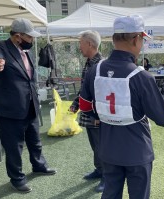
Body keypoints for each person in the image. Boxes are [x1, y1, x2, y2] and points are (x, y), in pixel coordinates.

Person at [79, 15, 164, 199]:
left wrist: (103, 118)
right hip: (137, 150)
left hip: (107, 148)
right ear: (136, 38)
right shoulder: (141, 76)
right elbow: (163, 117)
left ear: (114, 39)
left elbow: (85, 106)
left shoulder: (94, 71)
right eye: (142, 39)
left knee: (110, 194)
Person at [0, 18, 56, 193]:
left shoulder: (25, 52)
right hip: (9, 108)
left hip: (30, 104)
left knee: (35, 140)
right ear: (18, 36)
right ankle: (17, 178)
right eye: (29, 37)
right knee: (14, 145)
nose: (32, 40)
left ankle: (39, 165)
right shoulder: (1, 47)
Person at [68, 30, 105, 192]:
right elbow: (85, 89)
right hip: (89, 113)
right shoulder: (90, 62)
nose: (79, 47)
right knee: (95, 145)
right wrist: (76, 104)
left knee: (102, 146)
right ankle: (99, 170)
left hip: (96, 114)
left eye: (80, 43)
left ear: (90, 44)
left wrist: (98, 115)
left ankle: (107, 177)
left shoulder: (100, 65)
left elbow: (102, 93)